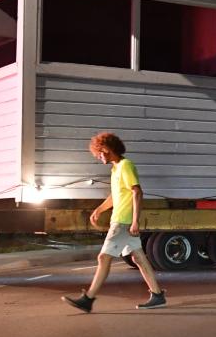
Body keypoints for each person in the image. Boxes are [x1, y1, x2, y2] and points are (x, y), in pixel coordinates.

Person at [63, 132, 167, 313]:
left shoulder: (126, 165)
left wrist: (135, 221)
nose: (97, 156)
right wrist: (99, 209)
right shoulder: (115, 169)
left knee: (103, 258)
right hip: (120, 220)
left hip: (123, 222)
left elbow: (137, 192)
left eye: (98, 153)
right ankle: (157, 295)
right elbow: (115, 195)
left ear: (106, 149)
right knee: (138, 258)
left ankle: (88, 299)